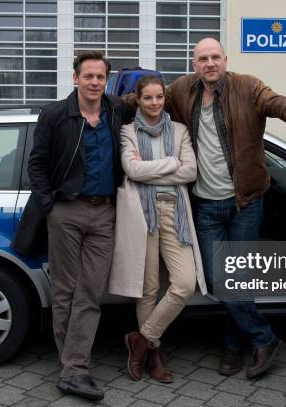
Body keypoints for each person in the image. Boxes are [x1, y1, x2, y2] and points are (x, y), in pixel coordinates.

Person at [163, 38, 286, 380]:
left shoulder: (248, 87)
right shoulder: (180, 91)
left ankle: (232, 347)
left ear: (226, 60)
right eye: (202, 59)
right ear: (193, 64)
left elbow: (279, 104)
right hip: (206, 206)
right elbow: (146, 101)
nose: (210, 63)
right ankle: (264, 338)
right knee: (217, 279)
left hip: (246, 203)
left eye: (215, 57)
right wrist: (102, 102)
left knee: (237, 278)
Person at [19, 51, 133, 401]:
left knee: (90, 292)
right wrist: (51, 206)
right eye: (88, 76)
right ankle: (76, 369)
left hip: (105, 214)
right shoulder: (55, 113)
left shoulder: (116, 110)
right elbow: (36, 165)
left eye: (100, 77)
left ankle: (71, 367)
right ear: (75, 78)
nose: (94, 83)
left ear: (107, 81)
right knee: (65, 291)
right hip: (66, 210)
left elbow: (154, 98)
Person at [108, 76, 207, 383]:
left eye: (158, 97)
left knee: (184, 283)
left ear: (165, 98)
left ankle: (142, 338)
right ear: (137, 99)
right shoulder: (127, 132)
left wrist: (150, 171)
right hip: (142, 214)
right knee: (148, 287)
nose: (153, 103)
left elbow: (190, 171)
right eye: (147, 98)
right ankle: (154, 355)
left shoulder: (179, 130)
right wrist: (171, 163)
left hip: (174, 213)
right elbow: (132, 169)